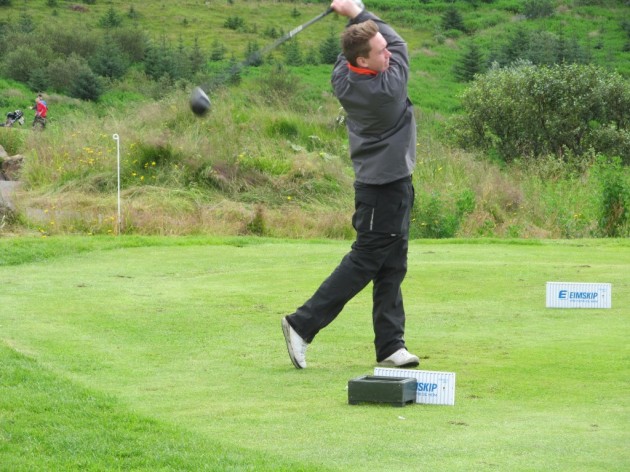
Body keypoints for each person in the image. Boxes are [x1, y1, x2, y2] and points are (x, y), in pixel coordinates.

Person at [281, 0, 419, 369]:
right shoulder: (387, 88)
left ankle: (390, 345)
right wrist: (356, 11)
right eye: (380, 52)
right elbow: (400, 43)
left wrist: (355, 21)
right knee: (364, 262)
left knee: (393, 264)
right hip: (383, 189)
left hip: (390, 183)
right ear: (362, 61)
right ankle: (301, 324)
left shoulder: (343, 76)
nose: (388, 53)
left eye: (384, 48)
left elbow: (362, 46)